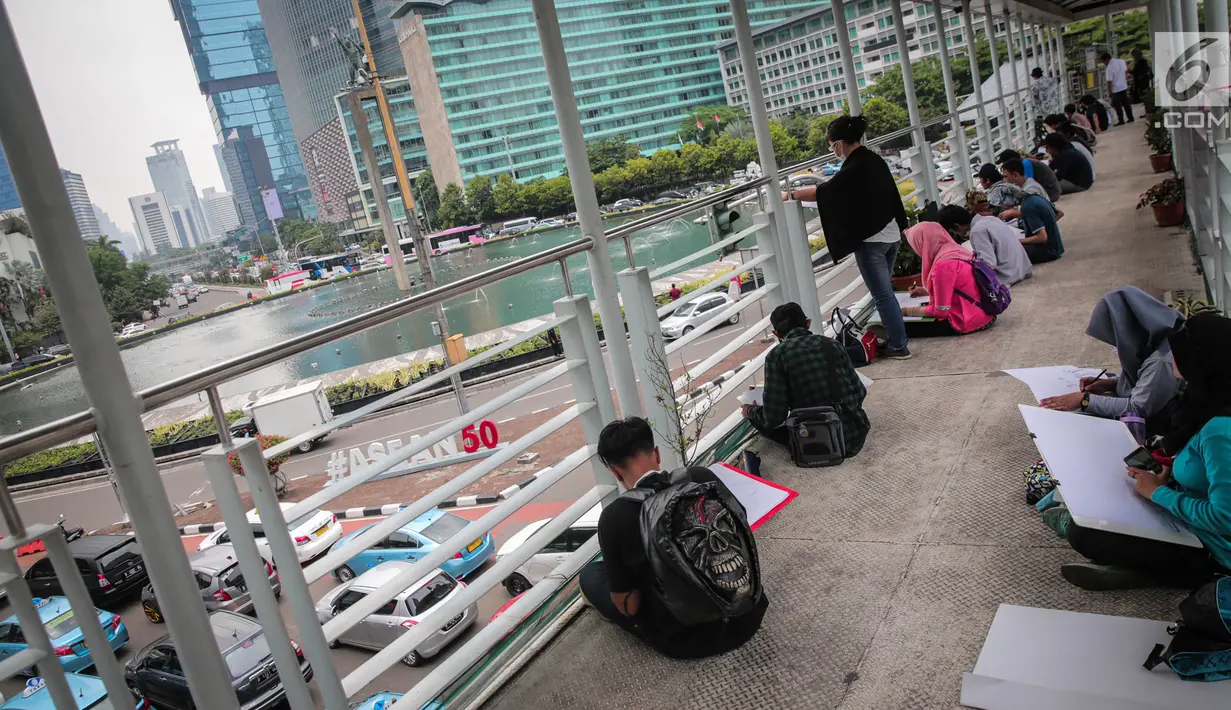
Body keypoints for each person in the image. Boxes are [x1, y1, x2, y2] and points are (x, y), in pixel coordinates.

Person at [1045, 312, 1231, 591]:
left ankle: (1178, 574)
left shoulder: (1219, 430)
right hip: (1191, 513)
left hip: (1215, 548)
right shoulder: (1211, 401)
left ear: (1200, 362)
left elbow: (1224, 518)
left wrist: (1159, 493)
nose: (1169, 360)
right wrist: (1167, 480)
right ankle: (1147, 571)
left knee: (1084, 533)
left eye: (1176, 354)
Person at [581, 417, 769, 656]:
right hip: (749, 615)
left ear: (616, 473)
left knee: (592, 575)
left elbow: (629, 606)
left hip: (689, 641)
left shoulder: (615, 517)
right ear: (657, 454)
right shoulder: (700, 477)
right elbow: (740, 523)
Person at [785, 115, 912, 359]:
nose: (832, 149)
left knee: (882, 294)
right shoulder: (873, 160)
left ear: (840, 143)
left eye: (831, 144)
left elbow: (826, 192)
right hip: (891, 234)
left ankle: (899, 345)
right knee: (886, 292)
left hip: (872, 242)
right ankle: (897, 339)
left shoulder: (854, 167)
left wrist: (791, 194)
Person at [1039, 287, 1183, 434]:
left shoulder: (1162, 360)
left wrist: (1084, 400)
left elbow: (1138, 409)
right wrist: (1113, 383)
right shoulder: (1155, 337)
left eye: (1116, 340)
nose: (1116, 347)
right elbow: (1147, 381)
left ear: (1128, 330)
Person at [742, 302, 870, 453]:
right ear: (808, 323)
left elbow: (774, 417)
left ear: (776, 334)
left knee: (757, 418)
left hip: (816, 442)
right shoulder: (832, 344)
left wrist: (750, 410)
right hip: (854, 436)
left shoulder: (776, 356)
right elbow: (860, 391)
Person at [899, 222, 996, 336]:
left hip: (967, 321)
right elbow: (959, 285)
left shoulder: (942, 266)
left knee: (897, 328)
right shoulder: (958, 251)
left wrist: (905, 311)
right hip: (987, 313)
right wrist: (925, 290)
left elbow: (940, 311)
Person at [937, 205, 1032, 285]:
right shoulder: (990, 219)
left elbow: (988, 264)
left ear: (957, 226)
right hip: (1022, 268)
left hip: (1008, 276)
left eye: (953, 232)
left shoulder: (977, 231)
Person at [1004, 160, 1065, 263]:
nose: (1004, 181)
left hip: (1047, 250)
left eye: (1006, 177)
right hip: (1055, 246)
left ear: (1015, 175)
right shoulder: (1032, 190)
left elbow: (1042, 237)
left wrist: (1018, 241)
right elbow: (1059, 212)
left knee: (1007, 252)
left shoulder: (1028, 203)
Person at [997, 149, 1061, 202]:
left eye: (1004, 163)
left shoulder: (1025, 164)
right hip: (1049, 190)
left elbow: (1027, 187)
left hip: (1051, 192)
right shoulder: (1023, 163)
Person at [1103, 52, 1133, 125]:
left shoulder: (1109, 67)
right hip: (1123, 86)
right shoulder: (1121, 61)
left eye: (1103, 61)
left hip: (1115, 89)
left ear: (1106, 59)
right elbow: (1127, 70)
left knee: (1117, 105)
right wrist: (1124, 79)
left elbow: (1109, 81)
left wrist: (1109, 92)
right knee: (1126, 104)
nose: (1104, 63)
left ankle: (1121, 120)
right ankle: (1130, 118)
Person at [1131, 47, 1154, 112]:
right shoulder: (1143, 60)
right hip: (1144, 81)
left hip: (1143, 82)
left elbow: (1136, 72)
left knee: (1145, 97)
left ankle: (1148, 111)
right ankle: (1147, 111)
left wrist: (1130, 70)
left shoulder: (1141, 61)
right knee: (1145, 97)